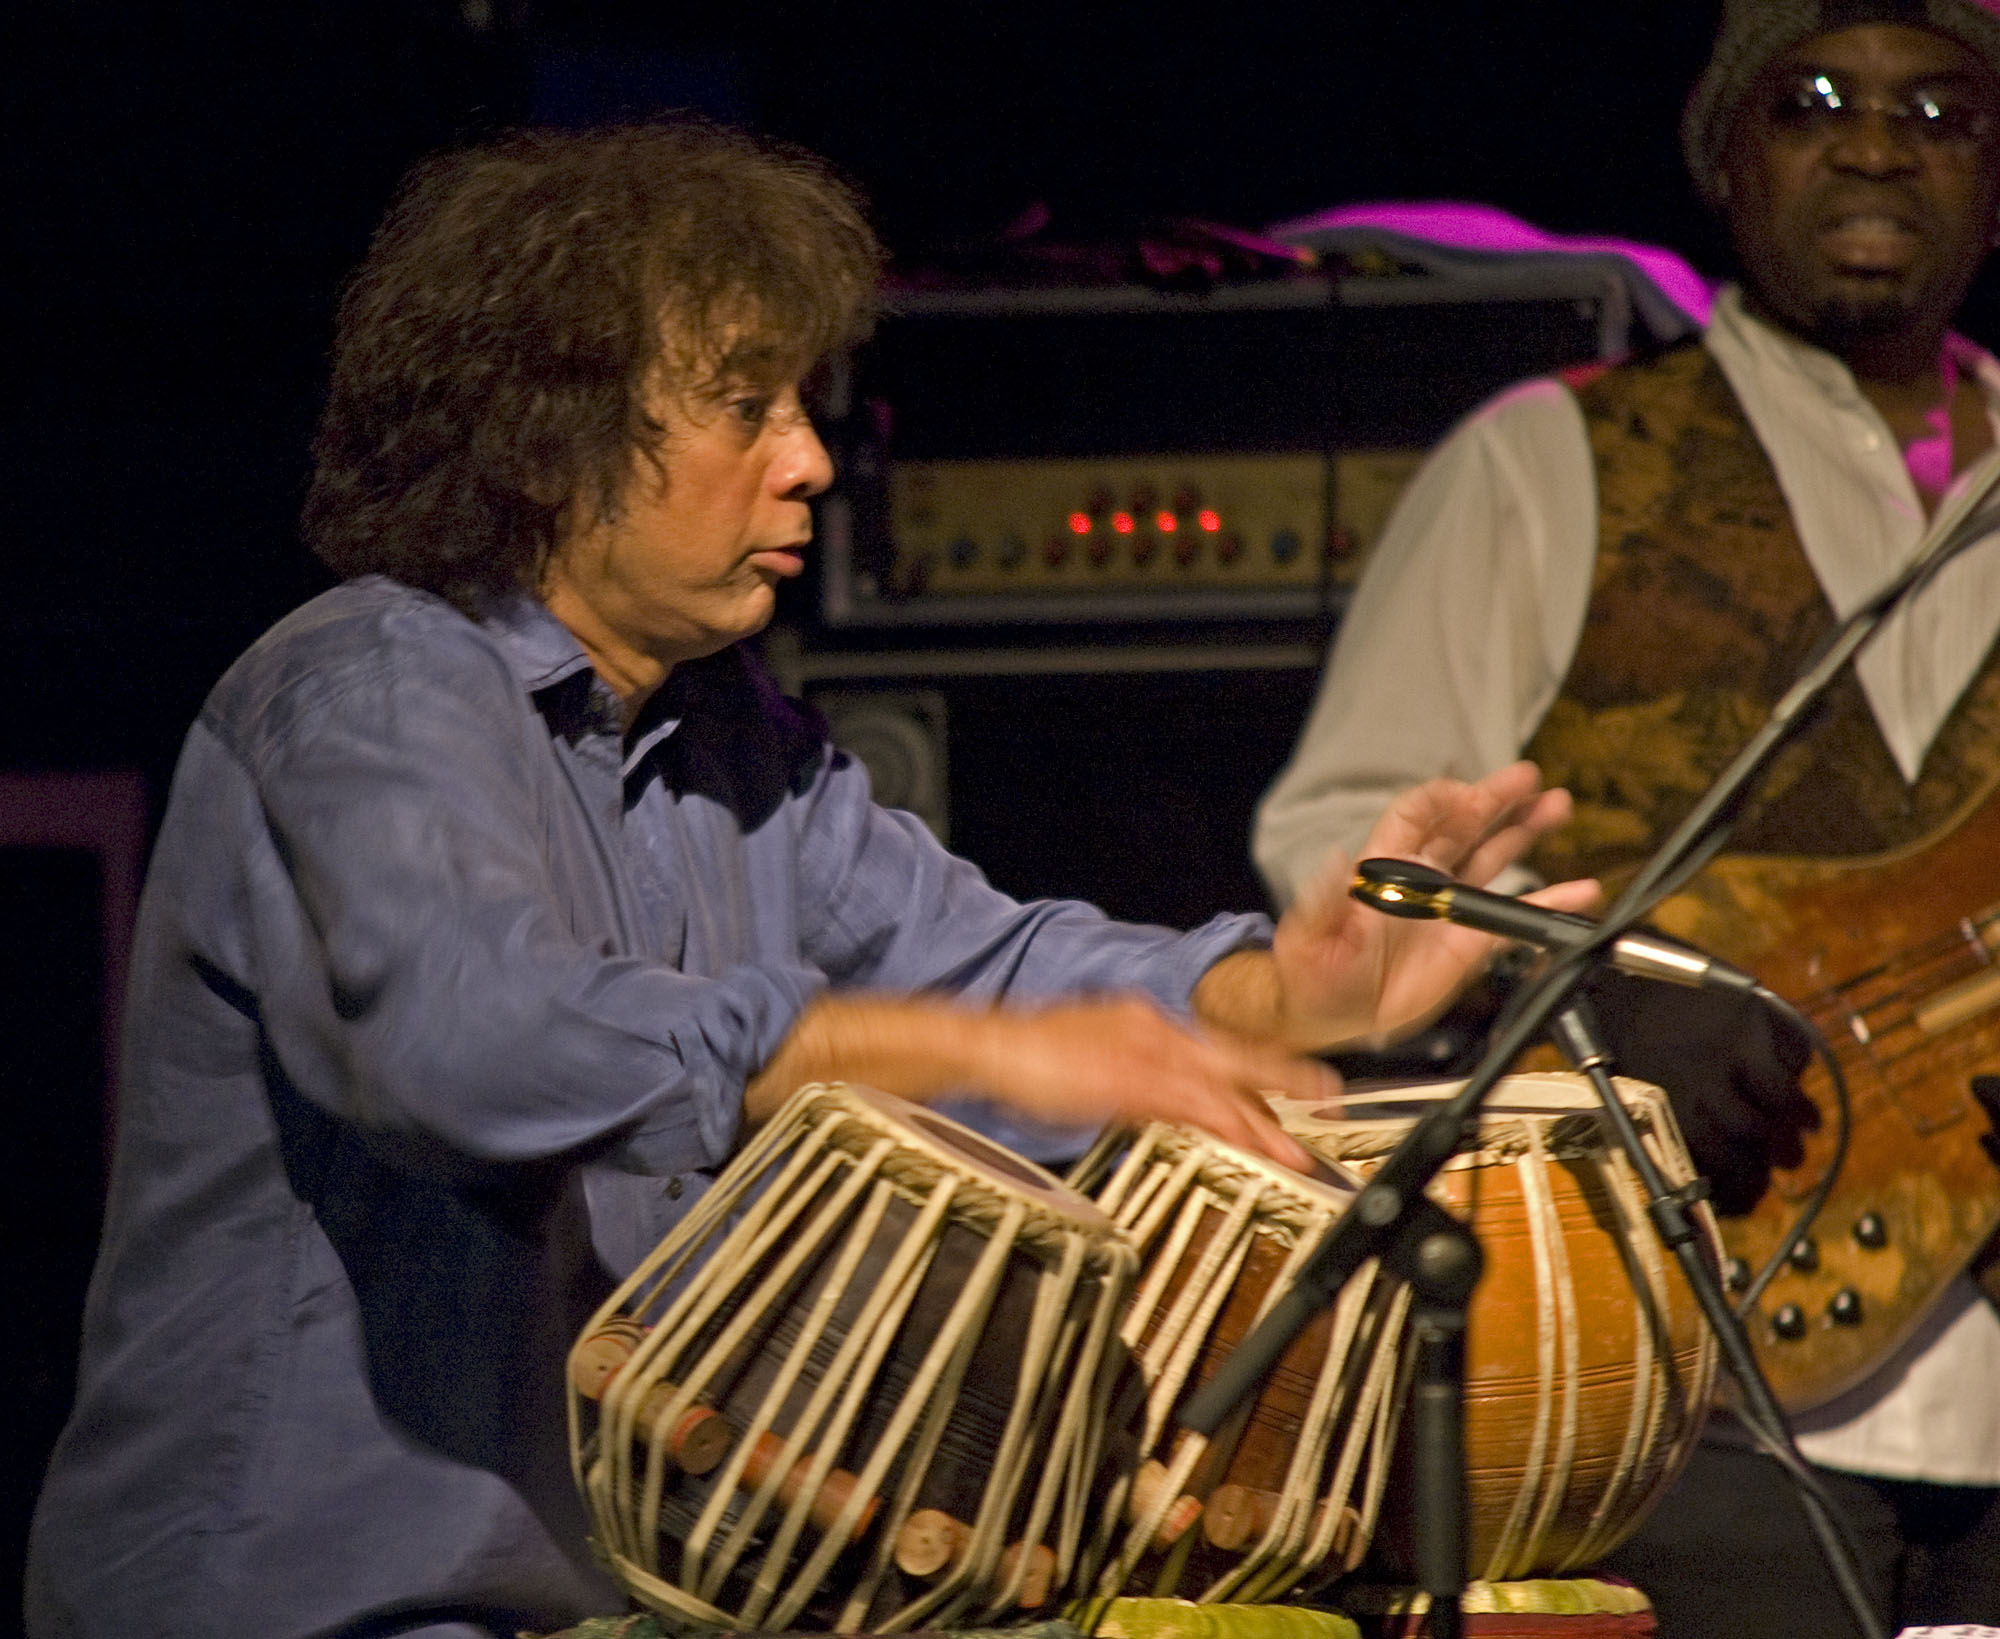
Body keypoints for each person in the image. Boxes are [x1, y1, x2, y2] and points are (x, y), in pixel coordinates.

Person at [21, 121, 1587, 1639]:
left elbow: (978, 964)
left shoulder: (735, 745)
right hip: (300, 1604)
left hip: (595, 1601)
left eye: (807, 405)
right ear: (553, 430)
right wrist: (946, 1056)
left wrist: (1274, 992)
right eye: (746, 407)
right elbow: (476, 1041)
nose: (813, 465)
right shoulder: (366, 685)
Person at [1255, 2, 2000, 1632]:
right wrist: (1582, 998)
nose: (1877, 145)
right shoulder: (1549, 463)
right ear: (1723, 155)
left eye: (1941, 113)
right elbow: (1346, 857)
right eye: (1814, 102)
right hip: (1682, 1401)